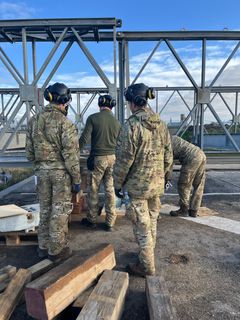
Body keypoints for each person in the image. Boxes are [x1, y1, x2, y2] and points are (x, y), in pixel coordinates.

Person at [113, 83, 173, 277]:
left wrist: (117, 183)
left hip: (138, 187)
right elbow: (168, 155)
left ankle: (146, 266)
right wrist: (166, 177)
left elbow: (124, 160)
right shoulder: (161, 124)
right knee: (152, 221)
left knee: (142, 226)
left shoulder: (131, 126)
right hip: (156, 184)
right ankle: (147, 255)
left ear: (133, 102)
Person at [25, 82, 81, 262]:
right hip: (60, 176)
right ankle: (56, 251)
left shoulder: (34, 122)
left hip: (41, 174)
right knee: (60, 211)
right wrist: (76, 179)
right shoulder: (66, 124)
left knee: (45, 210)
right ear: (64, 100)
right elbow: (71, 156)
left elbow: (29, 153)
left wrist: (41, 166)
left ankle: (43, 247)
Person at [79, 94, 121, 231]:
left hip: (98, 159)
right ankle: (110, 222)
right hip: (113, 158)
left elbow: (84, 139)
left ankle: (91, 220)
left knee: (94, 189)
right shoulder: (116, 122)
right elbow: (121, 143)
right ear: (112, 105)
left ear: (99, 104)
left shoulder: (93, 118)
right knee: (109, 189)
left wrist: (75, 151)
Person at [169, 135, 206, 218]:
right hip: (200, 153)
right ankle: (194, 210)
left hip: (191, 158)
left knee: (184, 185)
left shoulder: (166, 142)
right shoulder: (173, 138)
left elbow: (168, 161)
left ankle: (184, 210)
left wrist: (167, 176)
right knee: (198, 184)